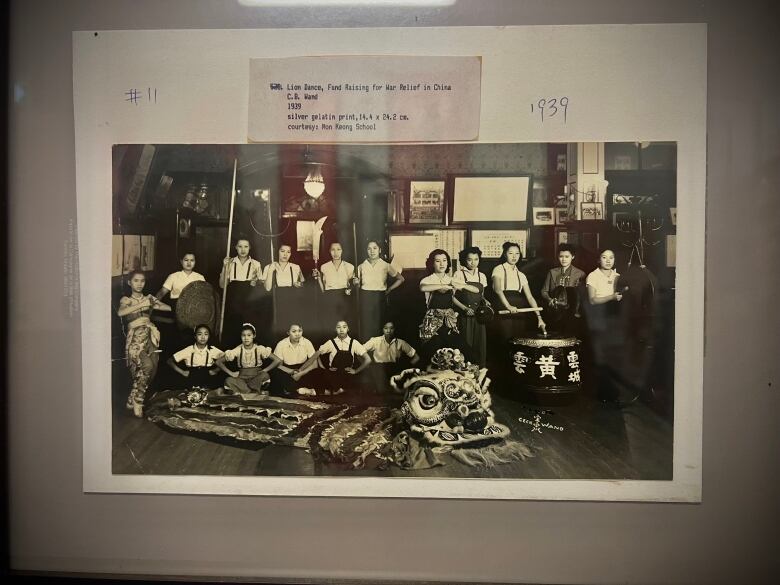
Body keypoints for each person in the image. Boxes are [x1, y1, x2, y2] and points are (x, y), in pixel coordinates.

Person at [116, 270, 171, 417]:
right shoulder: (126, 300)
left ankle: (131, 398)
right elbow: (120, 313)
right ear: (129, 283)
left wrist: (154, 303)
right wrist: (142, 304)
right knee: (146, 366)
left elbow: (167, 308)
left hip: (150, 337)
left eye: (142, 281)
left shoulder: (149, 298)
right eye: (136, 280)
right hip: (136, 340)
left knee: (151, 371)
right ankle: (138, 401)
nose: (139, 284)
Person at [419, 249, 479, 363]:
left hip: (449, 322)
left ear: (448, 263)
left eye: (444, 260)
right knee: (432, 353)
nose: (442, 264)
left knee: (465, 352)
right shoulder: (427, 279)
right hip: (433, 323)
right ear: (432, 263)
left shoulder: (451, 279)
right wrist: (445, 285)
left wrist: (462, 286)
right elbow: (423, 288)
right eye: (437, 261)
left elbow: (475, 290)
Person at [585, 249, 627, 404]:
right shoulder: (593, 276)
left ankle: (613, 393)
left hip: (614, 320)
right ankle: (602, 394)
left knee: (614, 356)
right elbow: (592, 300)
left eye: (611, 257)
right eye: (604, 257)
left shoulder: (618, 276)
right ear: (598, 260)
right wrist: (612, 297)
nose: (608, 261)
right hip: (598, 319)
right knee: (600, 357)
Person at [297, 320, 371, 395]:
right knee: (317, 372)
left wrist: (355, 371)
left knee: (355, 383)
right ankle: (334, 391)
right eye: (338, 327)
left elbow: (368, 360)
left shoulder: (354, 343)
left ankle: (322, 392)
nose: (341, 330)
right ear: (335, 329)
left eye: (344, 327)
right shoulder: (331, 342)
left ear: (348, 329)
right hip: (332, 375)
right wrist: (301, 370)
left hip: (347, 375)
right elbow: (316, 354)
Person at [491, 241, 546, 339]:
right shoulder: (498, 269)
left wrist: (539, 318)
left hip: (519, 309)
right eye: (510, 253)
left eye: (517, 253)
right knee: (505, 339)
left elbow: (530, 297)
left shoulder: (521, 275)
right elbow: (498, 289)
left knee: (519, 340)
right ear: (505, 254)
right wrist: (508, 306)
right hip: (504, 307)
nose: (514, 256)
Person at [353, 240, 404, 339]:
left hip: (380, 299)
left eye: (375, 248)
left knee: (380, 325)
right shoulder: (361, 266)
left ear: (379, 250)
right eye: (369, 248)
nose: (372, 251)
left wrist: (389, 289)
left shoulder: (386, 265)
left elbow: (401, 279)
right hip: (365, 298)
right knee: (366, 325)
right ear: (366, 250)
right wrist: (356, 283)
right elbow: (357, 286)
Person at [215, 323, 281, 396]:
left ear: (254, 336)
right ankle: (253, 393)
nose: (246, 338)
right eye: (243, 335)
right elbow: (218, 362)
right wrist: (231, 373)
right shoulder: (238, 350)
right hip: (241, 379)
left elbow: (277, 360)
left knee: (265, 375)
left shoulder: (259, 349)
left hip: (256, 378)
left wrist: (264, 370)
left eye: (249, 335)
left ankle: (244, 392)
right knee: (228, 380)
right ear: (241, 336)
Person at [220, 238, 263, 345]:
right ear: (235, 247)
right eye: (240, 246)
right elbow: (222, 285)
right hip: (234, 298)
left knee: (249, 326)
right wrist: (225, 267)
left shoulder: (256, 264)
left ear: (250, 248)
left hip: (249, 299)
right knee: (233, 327)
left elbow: (261, 285)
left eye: (246, 246)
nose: (243, 249)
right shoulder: (229, 262)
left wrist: (255, 282)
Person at [452, 246, 490, 367]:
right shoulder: (458, 274)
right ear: (464, 260)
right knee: (466, 344)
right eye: (469, 259)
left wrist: (486, 301)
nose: (473, 262)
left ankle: (480, 374)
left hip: (479, 316)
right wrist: (464, 308)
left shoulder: (482, 276)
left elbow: (481, 296)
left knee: (480, 345)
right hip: (465, 315)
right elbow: (451, 297)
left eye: (476, 259)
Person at [540, 244, 587, 335]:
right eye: (561, 256)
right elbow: (544, 291)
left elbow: (582, 296)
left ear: (572, 257)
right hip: (554, 311)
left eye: (567, 256)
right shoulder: (552, 272)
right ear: (558, 257)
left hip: (572, 314)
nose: (564, 259)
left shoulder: (580, 274)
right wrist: (549, 299)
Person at [362, 321, 420, 392]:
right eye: (386, 328)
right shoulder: (375, 341)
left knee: (395, 393)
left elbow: (416, 357)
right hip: (378, 372)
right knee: (380, 393)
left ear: (395, 329)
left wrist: (406, 369)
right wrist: (366, 365)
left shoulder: (401, 343)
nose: (388, 331)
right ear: (382, 329)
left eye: (391, 328)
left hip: (394, 371)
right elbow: (359, 351)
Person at [166, 324, 224, 390]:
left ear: (209, 336)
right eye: (199, 334)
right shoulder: (188, 350)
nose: (203, 337)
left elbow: (227, 358)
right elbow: (169, 361)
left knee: (211, 394)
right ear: (195, 336)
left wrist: (216, 370)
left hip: (207, 376)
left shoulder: (213, 350)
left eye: (206, 334)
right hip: (191, 376)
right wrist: (182, 372)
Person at [264, 244, 305, 338]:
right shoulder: (269, 267)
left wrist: (299, 285)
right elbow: (267, 288)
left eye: (288, 252)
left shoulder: (296, 267)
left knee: (292, 329)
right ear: (277, 251)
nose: (285, 254)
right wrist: (270, 271)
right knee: (277, 329)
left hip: (292, 302)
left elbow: (302, 284)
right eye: (282, 251)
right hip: (276, 302)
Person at [313, 242, 355, 330]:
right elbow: (323, 289)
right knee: (330, 324)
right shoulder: (324, 267)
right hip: (329, 298)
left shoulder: (349, 267)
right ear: (329, 251)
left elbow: (352, 285)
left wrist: (351, 288)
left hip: (344, 298)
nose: (335, 253)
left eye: (338, 249)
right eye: (333, 250)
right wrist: (318, 278)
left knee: (344, 325)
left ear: (342, 251)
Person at [270, 323, 317, 396]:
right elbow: (278, 365)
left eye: (300, 331)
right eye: (294, 331)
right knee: (275, 372)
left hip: (303, 369)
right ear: (288, 333)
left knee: (318, 372)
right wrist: (291, 371)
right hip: (288, 371)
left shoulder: (307, 342)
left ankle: (292, 389)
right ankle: (299, 390)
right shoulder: (281, 344)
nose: (297, 334)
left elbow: (315, 364)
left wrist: (300, 373)